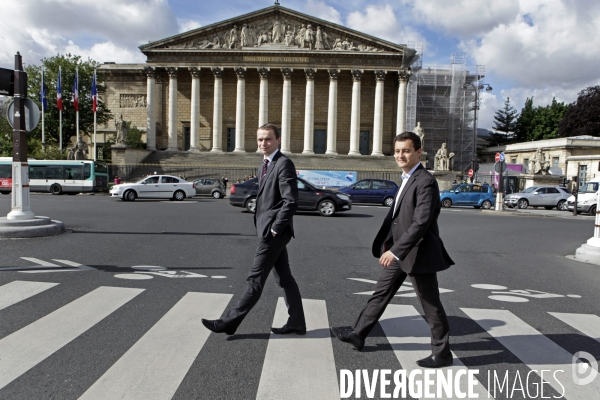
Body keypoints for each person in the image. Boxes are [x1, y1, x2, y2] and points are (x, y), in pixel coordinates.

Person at [331, 131, 454, 369]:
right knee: (381, 293)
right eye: (397, 151)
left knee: (430, 304)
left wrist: (396, 250)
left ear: (418, 152)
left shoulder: (426, 180)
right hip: (401, 251)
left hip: (418, 253)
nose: (400, 155)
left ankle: (442, 353)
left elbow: (421, 222)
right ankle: (358, 334)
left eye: (406, 150)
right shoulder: (407, 178)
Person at [202, 124, 306, 336]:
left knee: (255, 279)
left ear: (278, 140)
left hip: (273, 233)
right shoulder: (264, 165)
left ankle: (229, 321)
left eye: (267, 139)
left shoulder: (283, 163)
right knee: (285, 278)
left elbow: (291, 201)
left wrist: (276, 228)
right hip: (269, 230)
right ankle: (297, 322)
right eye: (260, 139)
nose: (263, 143)